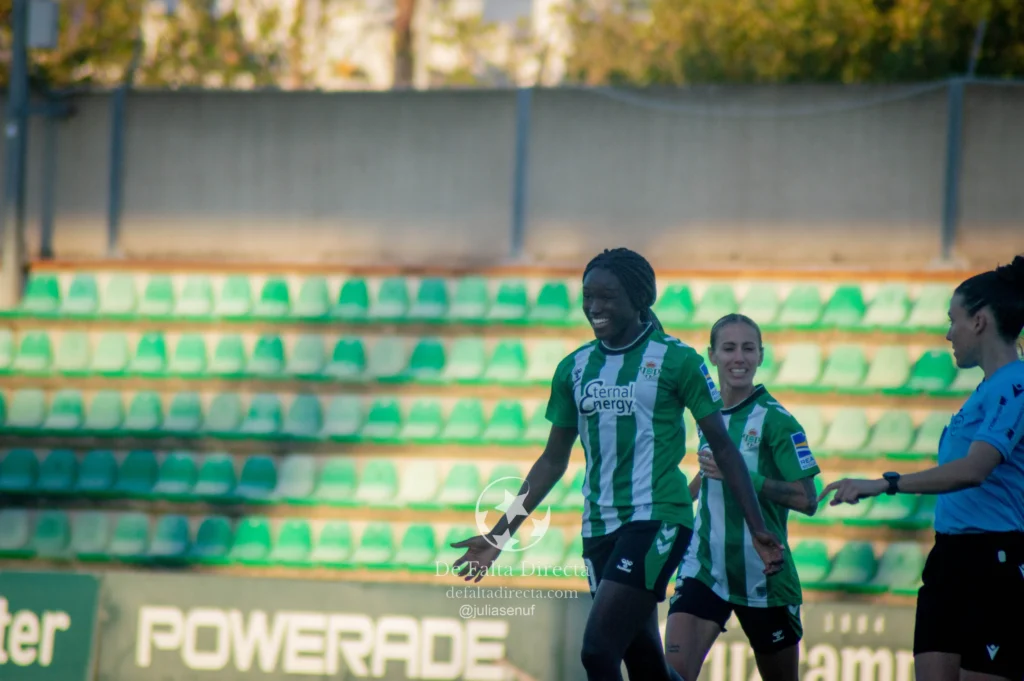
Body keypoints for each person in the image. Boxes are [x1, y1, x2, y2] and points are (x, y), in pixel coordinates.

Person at [450, 248, 785, 681]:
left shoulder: (678, 360)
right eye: (588, 296)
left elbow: (723, 446)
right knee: (644, 662)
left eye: (607, 297)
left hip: (657, 520)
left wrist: (759, 527)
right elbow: (552, 461)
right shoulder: (574, 367)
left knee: (597, 651)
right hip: (599, 529)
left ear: (638, 298)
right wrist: (500, 534)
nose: (594, 307)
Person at [821, 255, 1024, 681]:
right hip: (948, 558)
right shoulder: (987, 390)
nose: (948, 333)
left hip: (993, 562)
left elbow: (974, 470)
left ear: (981, 321)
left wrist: (885, 484)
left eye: (954, 320)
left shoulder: (1016, 385)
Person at [663, 314, 821, 681]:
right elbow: (709, 474)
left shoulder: (777, 421)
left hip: (765, 577)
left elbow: (808, 500)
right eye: (729, 348)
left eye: (748, 348)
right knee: (671, 675)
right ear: (712, 355)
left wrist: (742, 476)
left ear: (761, 356)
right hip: (705, 569)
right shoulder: (708, 413)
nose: (739, 357)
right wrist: (678, 504)